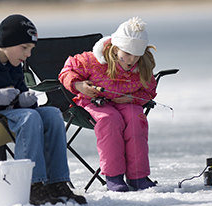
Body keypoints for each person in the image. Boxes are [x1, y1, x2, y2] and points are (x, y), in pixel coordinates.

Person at [0, 14, 86, 205]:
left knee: (52, 114)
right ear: (7, 42)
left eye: (31, 49)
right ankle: (30, 186)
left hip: (1, 119)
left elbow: (21, 102)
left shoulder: (15, 65)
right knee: (27, 117)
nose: (28, 54)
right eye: (24, 48)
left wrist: (25, 100)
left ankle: (57, 183)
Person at [59, 17, 157, 192]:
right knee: (110, 119)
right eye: (126, 54)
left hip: (127, 102)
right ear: (115, 47)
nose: (131, 60)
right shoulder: (91, 60)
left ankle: (138, 176)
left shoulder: (142, 66)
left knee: (136, 119)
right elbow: (67, 71)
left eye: (136, 56)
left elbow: (149, 91)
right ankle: (114, 177)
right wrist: (78, 85)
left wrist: (132, 99)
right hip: (95, 101)